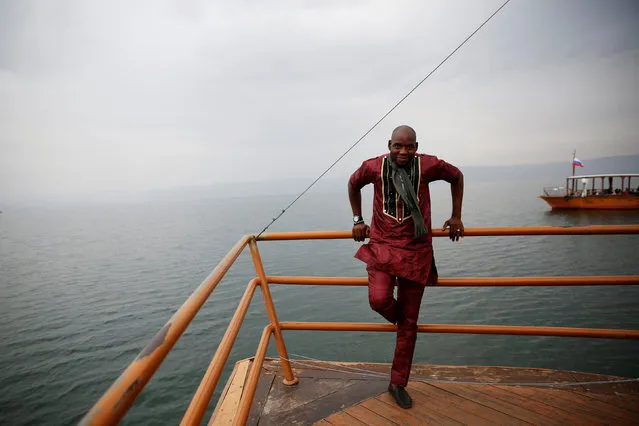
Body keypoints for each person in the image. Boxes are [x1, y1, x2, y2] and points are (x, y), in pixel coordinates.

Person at [347, 125, 464, 409]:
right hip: (383, 246)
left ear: (416, 146)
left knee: (409, 324)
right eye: (398, 146)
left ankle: (398, 383)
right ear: (389, 144)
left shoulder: (427, 165)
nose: (403, 151)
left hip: (416, 248)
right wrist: (357, 220)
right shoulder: (373, 167)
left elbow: (456, 176)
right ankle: (405, 324)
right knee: (379, 299)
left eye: (409, 146)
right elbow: (353, 183)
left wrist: (456, 216)